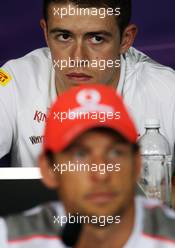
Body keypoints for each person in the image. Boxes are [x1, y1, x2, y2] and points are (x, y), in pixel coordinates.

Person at [0, 0, 175, 167]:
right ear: (45, 32)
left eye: (96, 39)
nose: (77, 58)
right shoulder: (15, 80)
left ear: (125, 39)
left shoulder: (168, 91)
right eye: (64, 36)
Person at [0, 84, 175, 247]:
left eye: (115, 153)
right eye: (80, 155)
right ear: (49, 170)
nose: (101, 173)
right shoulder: (11, 238)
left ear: (137, 164)